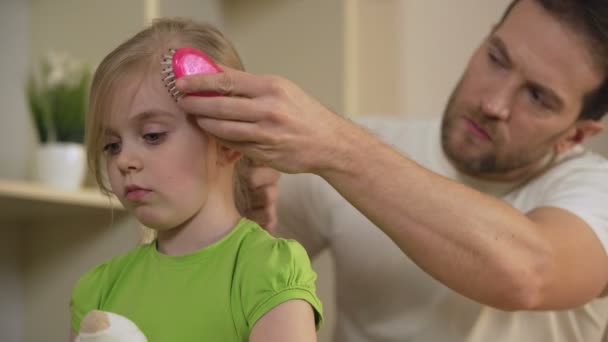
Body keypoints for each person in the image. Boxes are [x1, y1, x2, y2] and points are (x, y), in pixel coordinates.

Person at [173, 0, 608, 341]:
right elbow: (225, 286)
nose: (493, 103)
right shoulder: (361, 147)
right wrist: (245, 221)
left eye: (537, 97)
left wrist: (336, 145)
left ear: (577, 134)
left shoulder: (594, 192)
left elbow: (528, 274)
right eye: (497, 58)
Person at [69, 18, 323, 342]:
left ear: (228, 140)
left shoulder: (268, 273)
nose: (123, 161)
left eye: (152, 135)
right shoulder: (98, 289)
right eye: (111, 146)